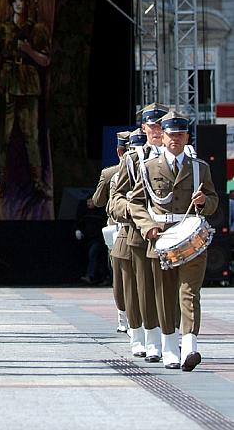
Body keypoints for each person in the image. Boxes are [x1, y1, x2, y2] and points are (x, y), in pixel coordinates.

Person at [130, 111, 218, 371]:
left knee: (190, 292)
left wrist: (205, 202)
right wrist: (147, 227)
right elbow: (135, 202)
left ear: (187, 136)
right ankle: (169, 347)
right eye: (170, 135)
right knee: (165, 295)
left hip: (191, 236)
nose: (175, 140)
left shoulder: (200, 167)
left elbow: (214, 201)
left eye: (180, 135)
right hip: (161, 237)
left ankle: (190, 346)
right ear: (163, 136)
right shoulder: (149, 167)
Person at [111, 103, 169, 363]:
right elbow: (116, 200)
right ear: (143, 128)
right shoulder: (134, 160)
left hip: (170, 233)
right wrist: (137, 214)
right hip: (138, 232)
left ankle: (171, 337)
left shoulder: (181, 157)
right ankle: (143, 336)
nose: (156, 131)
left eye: (160, 126)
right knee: (141, 289)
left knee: (170, 289)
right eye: (152, 126)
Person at [0, 0, 52, 198]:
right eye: (16, 0)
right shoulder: (2, 28)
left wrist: (28, 50)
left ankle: (38, 183)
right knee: (4, 136)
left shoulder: (37, 29)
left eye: (22, 0)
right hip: (7, 84)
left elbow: (45, 59)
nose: (19, 4)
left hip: (29, 85)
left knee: (31, 137)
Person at [92, 131, 141, 344]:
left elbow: (97, 201)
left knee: (121, 276)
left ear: (118, 151)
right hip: (129, 227)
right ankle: (129, 315)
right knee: (131, 275)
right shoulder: (143, 168)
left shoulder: (110, 172)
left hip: (122, 227)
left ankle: (125, 316)